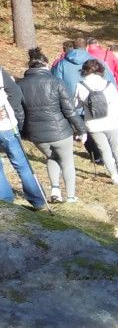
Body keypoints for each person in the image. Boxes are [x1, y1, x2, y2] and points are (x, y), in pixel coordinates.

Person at [17, 48, 86, 203]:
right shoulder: (56, 82)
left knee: (51, 157)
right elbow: (70, 111)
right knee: (67, 161)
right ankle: (70, 196)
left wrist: (23, 133)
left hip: (37, 134)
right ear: (46, 64)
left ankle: (55, 190)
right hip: (60, 131)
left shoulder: (19, 85)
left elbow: (19, 113)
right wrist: (81, 130)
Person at [76, 58, 118, 185]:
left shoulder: (81, 85)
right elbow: (117, 103)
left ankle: (114, 175)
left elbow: (76, 105)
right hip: (111, 122)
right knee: (115, 145)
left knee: (104, 150)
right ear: (100, 70)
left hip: (93, 124)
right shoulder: (108, 84)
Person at [0, 66, 46, 209]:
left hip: (6, 124)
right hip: (6, 125)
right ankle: (37, 200)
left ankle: (6, 201)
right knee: (21, 163)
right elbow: (14, 93)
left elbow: (14, 93)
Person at [51, 38, 90, 103]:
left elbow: (56, 83)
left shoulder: (60, 63)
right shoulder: (94, 60)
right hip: (89, 100)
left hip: (69, 101)